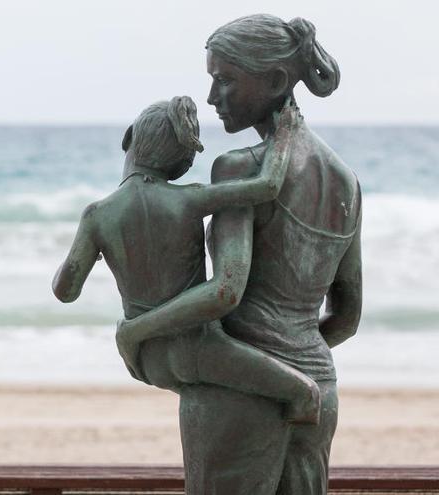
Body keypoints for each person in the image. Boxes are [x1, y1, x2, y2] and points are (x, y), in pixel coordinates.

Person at [117, 15, 361, 494]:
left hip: (236, 397)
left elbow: (226, 291)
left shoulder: (237, 168)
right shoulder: (346, 181)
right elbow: (347, 317)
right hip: (320, 390)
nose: (212, 97)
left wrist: (136, 331)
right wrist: (292, 365)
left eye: (224, 79)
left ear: (273, 81)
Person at [53, 96, 320, 423]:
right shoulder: (188, 198)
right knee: (306, 393)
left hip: (148, 361)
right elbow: (267, 186)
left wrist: (93, 248)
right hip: (198, 349)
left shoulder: (96, 215)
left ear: (128, 137)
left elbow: (65, 291)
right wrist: (285, 137)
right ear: (181, 164)